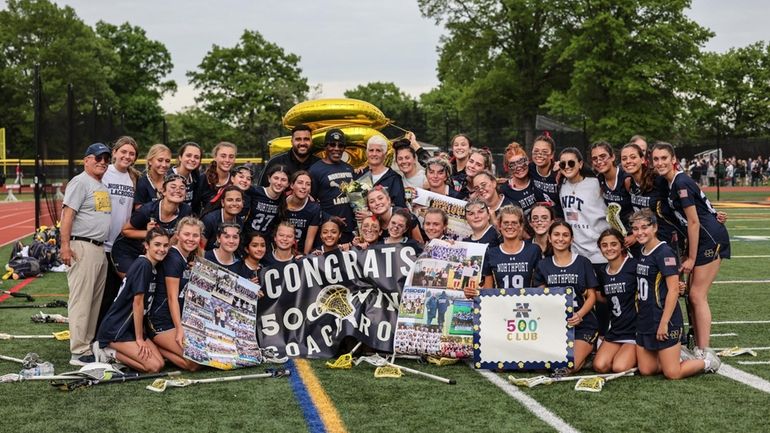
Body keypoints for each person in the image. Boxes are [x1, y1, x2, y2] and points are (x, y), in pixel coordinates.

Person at [652, 142, 730, 355]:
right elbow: (702, 203)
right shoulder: (668, 182)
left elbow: (694, 222)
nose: (660, 163)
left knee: (696, 295)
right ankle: (698, 344)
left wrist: (691, 258)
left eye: (663, 158)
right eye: (656, 159)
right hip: (701, 237)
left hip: (710, 238)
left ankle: (705, 350)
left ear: (673, 159)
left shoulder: (680, 182)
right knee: (692, 295)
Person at [630, 209, 720, 378]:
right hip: (645, 319)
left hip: (664, 318)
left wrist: (664, 323)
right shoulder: (641, 251)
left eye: (644, 227)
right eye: (635, 228)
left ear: (655, 227)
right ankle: (675, 355)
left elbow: (673, 290)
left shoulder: (663, 252)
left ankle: (708, 362)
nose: (639, 232)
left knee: (673, 373)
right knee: (646, 370)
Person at [61, 142, 113, 366]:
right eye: (97, 158)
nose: (102, 162)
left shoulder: (99, 184)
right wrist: (64, 245)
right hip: (82, 246)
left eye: (105, 159)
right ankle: (78, 351)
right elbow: (68, 215)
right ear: (86, 160)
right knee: (81, 301)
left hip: (99, 248)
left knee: (93, 301)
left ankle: (87, 346)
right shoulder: (80, 182)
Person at [93, 228, 168, 373]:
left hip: (131, 327)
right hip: (117, 327)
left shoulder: (151, 266)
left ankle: (114, 351)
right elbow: (138, 303)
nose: (162, 249)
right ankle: (107, 352)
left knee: (160, 363)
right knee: (153, 366)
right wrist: (140, 339)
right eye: (157, 245)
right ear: (147, 245)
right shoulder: (144, 265)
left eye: (165, 245)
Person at [533, 221, 598, 372]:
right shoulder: (543, 265)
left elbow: (592, 296)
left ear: (571, 239)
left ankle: (585, 352)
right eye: (556, 234)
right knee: (543, 365)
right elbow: (541, 298)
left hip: (583, 324)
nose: (560, 238)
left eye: (565, 235)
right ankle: (583, 356)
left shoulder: (583, 262)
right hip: (556, 325)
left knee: (569, 365)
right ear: (549, 238)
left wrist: (579, 315)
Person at [145, 217, 203, 371]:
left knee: (203, 357)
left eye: (195, 235)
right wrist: (180, 330)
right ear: (177, 235)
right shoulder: (173, 258)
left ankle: (165, 348)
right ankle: (155, 345)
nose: (191, 239)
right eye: (186, 234)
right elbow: (172, 298)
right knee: (193, 363)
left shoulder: (184, 259)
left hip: (175, 319)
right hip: (161, 322)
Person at [111, 174, 192, 278]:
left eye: (182, 188)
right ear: (163, 191)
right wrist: (149, 233)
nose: (178, 190)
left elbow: (172, 240)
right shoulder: (147, 210)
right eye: (173, 187)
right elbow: (125, 231)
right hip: (128, 251)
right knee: (136, 283)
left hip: (155, 254)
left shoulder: (185, 211)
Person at [98, 137, 139, 327]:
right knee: (102, 295)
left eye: (131, 153)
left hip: (122, 245)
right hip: (102, 244)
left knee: (117, 293)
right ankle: (96, 337)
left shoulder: (134, 177)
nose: (127, 156)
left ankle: (111, 335)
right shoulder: (104, 173)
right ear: (114, 152)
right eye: (123, 151)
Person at [592, 229, 638, 374]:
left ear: (622, 245)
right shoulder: (602, 272)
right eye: (604, 245)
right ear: (600, 248)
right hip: (616, 329)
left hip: (635, 330)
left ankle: (645, 357)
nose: (609, 248)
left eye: (613, 244)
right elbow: (604, 297)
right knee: (600, 366)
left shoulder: (633, 265)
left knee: (619, 367)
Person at [558, 147, 609, 265]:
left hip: (599, 253)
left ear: (580, 164)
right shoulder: (561, 185)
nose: (566, 166)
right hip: (576, 254)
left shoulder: (596, 183)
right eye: (562, 164)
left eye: (571, 163)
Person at [473, 205, 540, 295]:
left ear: (520, 226)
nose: (510, 226)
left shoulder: (533, 250)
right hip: (501, 306)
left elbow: (540, 285)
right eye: (506, 223)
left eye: (514, 223)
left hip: (527, 305)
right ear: (500, 226)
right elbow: (488, 290)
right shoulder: (491, 253)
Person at [309, 129, 356, 243]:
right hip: (328, 232)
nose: (336, 148)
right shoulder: (315, 170)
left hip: (349, 231)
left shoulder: (349, 168)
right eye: (332, 144)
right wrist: (329, 217)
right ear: (325, 147)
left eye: (341, 145)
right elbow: (310, 203)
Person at [591, 142, 634, 246]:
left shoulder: (626, 179)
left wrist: (635, 236)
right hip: (619, 237)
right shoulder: (599, 178)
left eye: (603, 156)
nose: (599, 161)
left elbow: (643, 208)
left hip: (635, 236)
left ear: (613, 157)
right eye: (595, 158)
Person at [358, 135, 406, 208]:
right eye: (371, 150)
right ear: (366, 153)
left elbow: (399, 207)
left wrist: (372, 215)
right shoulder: (359, 174)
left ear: (385, 154)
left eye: (378, 150)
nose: (374, 154)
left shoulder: (394, 178)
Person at [283, 170, 321, 255]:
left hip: (300, 253)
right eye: (300, 183)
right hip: (280, 250)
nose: (304, 187)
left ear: (310, 189)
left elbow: (310, 239)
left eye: (308, 184)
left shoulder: (314, 208)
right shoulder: (281, 201)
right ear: (292, 185)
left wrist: (305, 258)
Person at [500, 142, 542, 217]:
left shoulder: (537, 177)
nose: (519, 167)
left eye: (521, 161)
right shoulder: (504, 190)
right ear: (507, 168)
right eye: (513, 165)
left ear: (528, 161)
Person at [247, 164, 288, 235]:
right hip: (247, 237)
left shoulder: (284, 200)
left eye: (283, 180)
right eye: (276, 178)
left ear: (288, 183)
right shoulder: (254, 191)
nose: (279, 183)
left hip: (265, 241)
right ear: (269, 178)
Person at [529, 134, 563, 218]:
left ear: (552, 154)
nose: (539, 155)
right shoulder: (530, 168)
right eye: (536, 151)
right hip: (540, 219)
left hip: (559, 219)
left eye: (544, 152)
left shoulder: (559, 171)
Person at [201, 186, 244, 250]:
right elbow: (200, 249)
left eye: (238, 200)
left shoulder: (239, 221)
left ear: (243, 203)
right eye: (230, 200)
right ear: (223, 203)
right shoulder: (209, 220)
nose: (234, 203)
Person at [198, 141, 237, 211]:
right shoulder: (203, 179)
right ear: (215, 157)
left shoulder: (237, 179)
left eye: (231, 157)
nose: (227, 160)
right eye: (223, 156)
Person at [134, 144, 172, 209]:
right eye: (160, 160)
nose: (164, 164)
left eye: (167, 161)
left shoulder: (172, 181)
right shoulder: (142, 182)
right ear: (150, 161)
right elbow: (138, 210)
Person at [173, 142, 202, 211]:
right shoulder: (168, 177)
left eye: (196, 157)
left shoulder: (196, 177)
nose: (192, 159)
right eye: (188, 155)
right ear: (180, 157)